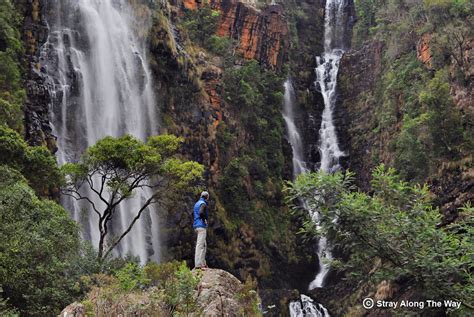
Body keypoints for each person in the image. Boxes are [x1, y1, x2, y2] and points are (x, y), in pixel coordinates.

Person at [193, 191, 209, 269]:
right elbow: (201, 213)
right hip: (201, 226)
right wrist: (204, 220)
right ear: (207, 197)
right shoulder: (203, 204)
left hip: (196, 226)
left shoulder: (196, 203)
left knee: (204, 245)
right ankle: (198, 264)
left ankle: (203, 263)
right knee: (200, 245)